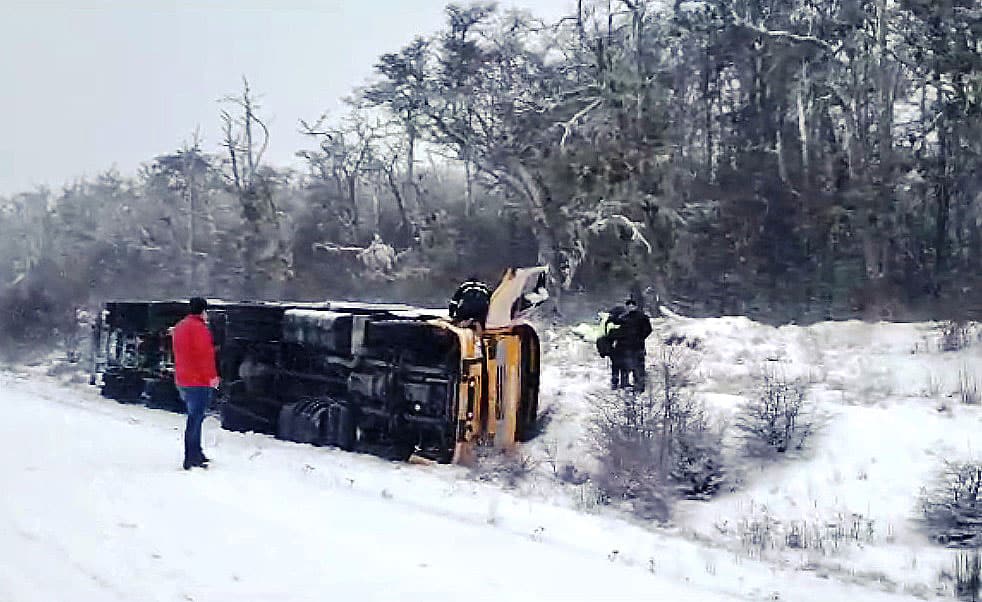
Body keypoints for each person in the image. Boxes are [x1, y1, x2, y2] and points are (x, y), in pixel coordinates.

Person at [171, 297, 220, 470]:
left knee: (194, 417)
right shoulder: (199, 329)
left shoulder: (180, 326)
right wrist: (212, 378)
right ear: (203, 311)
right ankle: (191, 457)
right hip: (197, 380)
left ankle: (196, 452)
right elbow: (205, 356)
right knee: (195, 418)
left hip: (183, 379)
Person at [609, 297, 652, 391]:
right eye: (629, 306)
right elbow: (648, 330)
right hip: (629, 347)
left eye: (632, 306)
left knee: (633, 367)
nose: (630, 307)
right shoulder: (624, 318)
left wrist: (639, 337)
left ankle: (634, 385)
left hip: (631, 347)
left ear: (635, 306)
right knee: (633, 366)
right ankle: (636, 386)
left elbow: (648, 330)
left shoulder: (637, 317)